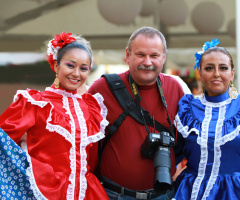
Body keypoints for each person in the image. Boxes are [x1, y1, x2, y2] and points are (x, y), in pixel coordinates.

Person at [0, 32, 109, 200]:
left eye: (83, 68)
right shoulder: (35, 103)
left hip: (89, 193)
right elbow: (3, 140)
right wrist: (32, 169)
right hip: (45, 191)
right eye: (70, 65)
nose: (76, 73)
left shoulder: (92, 106)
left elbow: (93, 160)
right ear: (56, 66)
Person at [88, 26, 186, 200]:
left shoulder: (174, 87)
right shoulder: (102, 88)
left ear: (164, 56)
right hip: (114, 194)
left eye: (154, 55)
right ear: (127, 55)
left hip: (163, 195)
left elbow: (188, 140)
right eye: (140, 54)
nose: (147, 62)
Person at [173, 39, 239, 200]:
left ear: (232, 74)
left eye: (223, 68)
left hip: (232, 192)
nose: (216, 73)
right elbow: (172, 155)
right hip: (189, 192)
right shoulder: (187, 108)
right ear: (200, 74)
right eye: (209, 68)